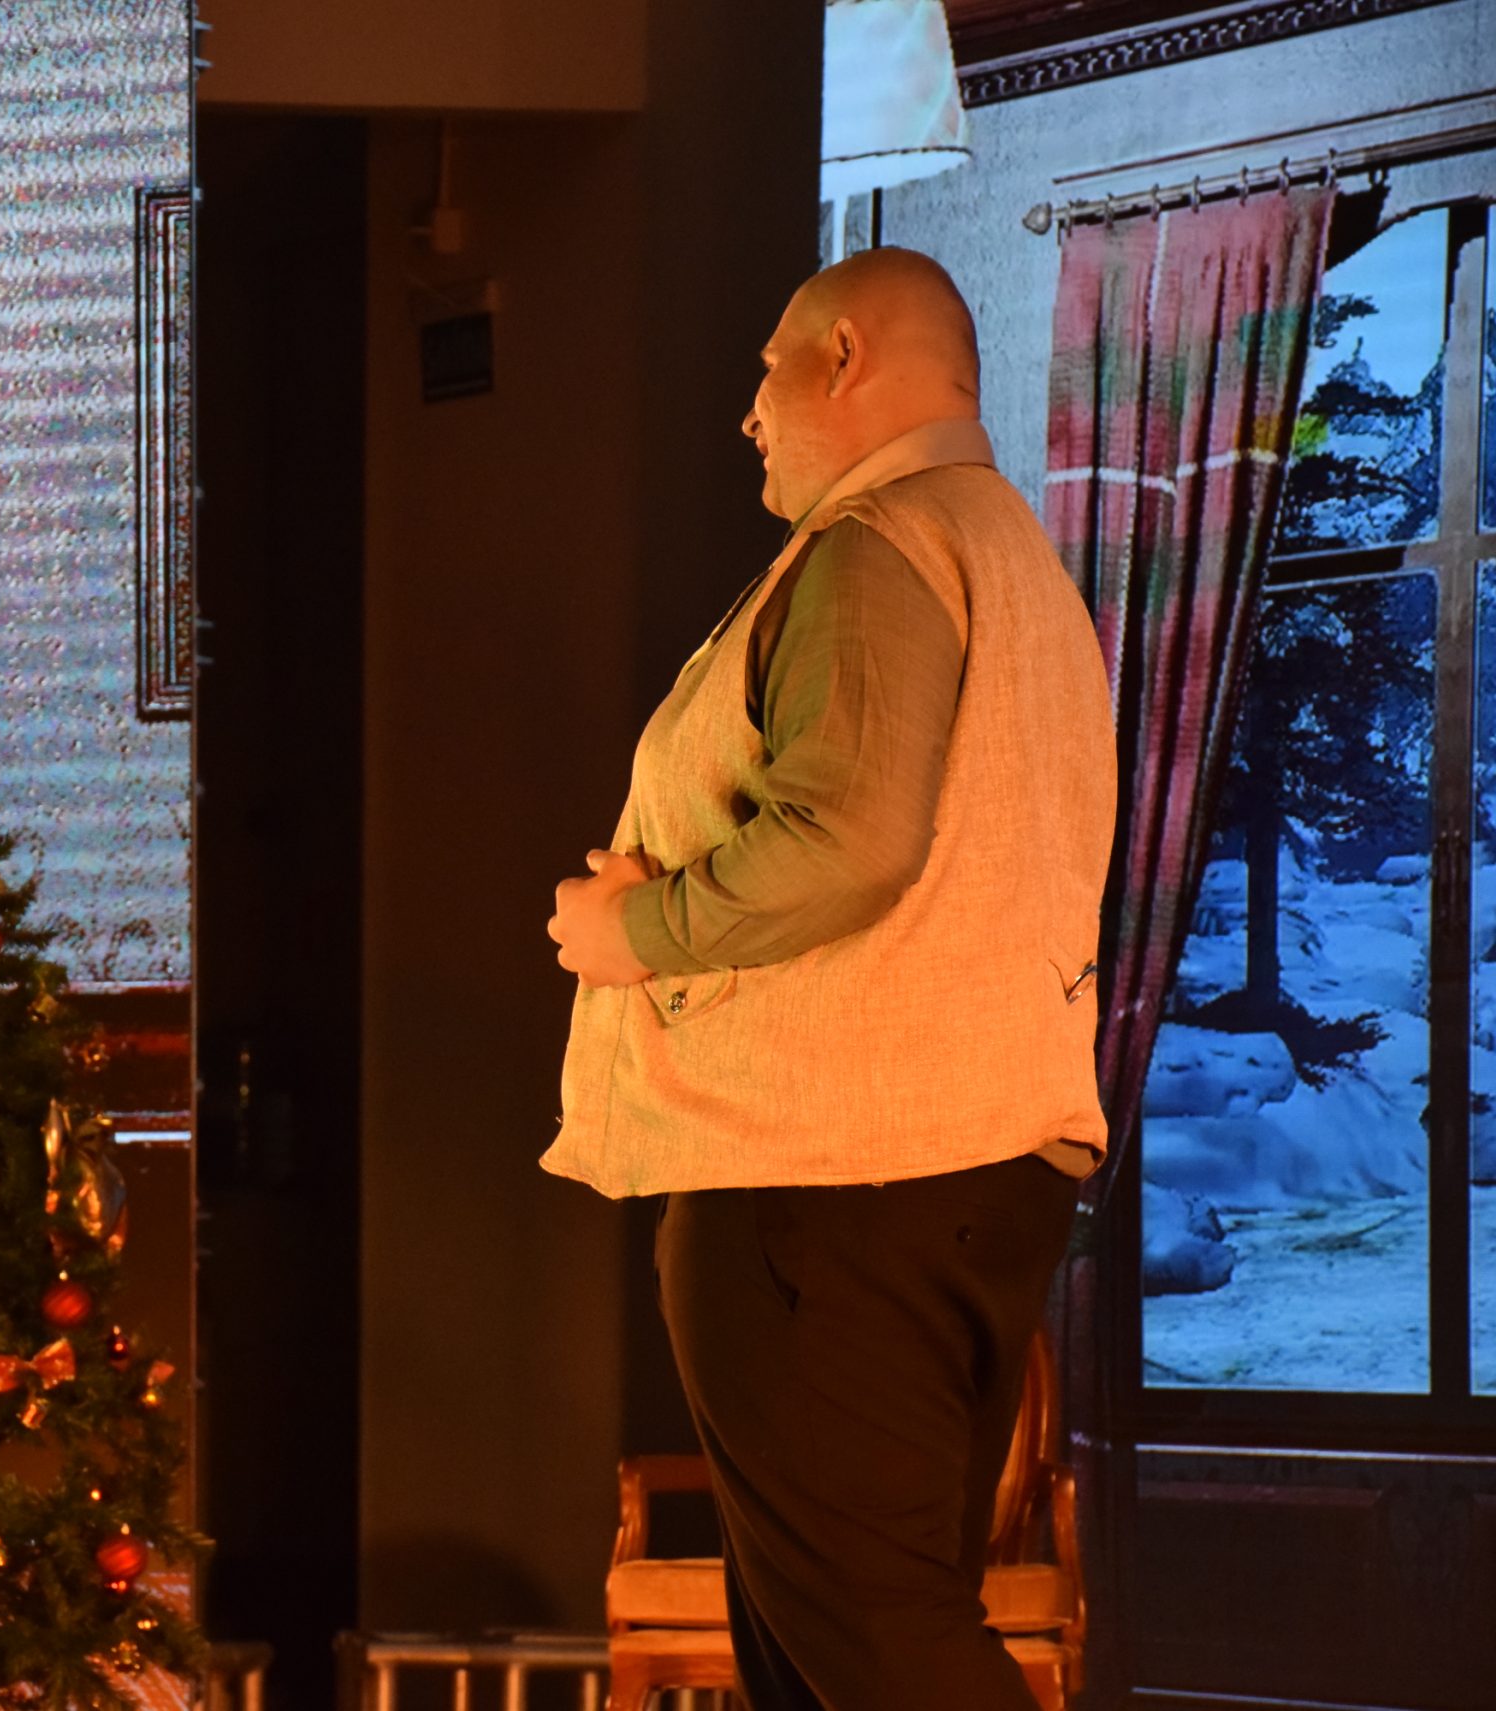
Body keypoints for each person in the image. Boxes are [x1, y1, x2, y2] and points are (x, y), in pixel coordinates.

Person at [543, 248, 1117, 1711]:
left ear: (845, 353)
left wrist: (634, 929)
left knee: (880, 1650)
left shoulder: (881, 543)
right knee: (836, 1658)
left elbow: (849, 838)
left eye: (766, 370)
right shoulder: (1018, 565)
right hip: (964, 1173)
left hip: (828, 1191)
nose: (747, 412)